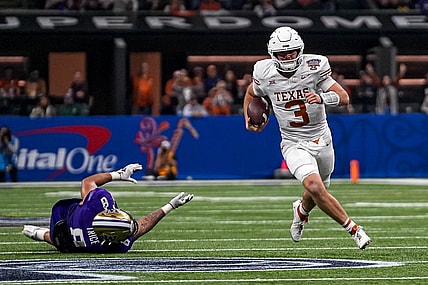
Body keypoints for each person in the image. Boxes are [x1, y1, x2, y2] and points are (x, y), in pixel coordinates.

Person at [243, 26, 372, 249]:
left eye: (292, 52)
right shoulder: (264, 72)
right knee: (314, 185)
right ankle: (354, 229)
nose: (287, 57)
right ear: (273, 55)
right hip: (293, 141)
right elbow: (251, 93)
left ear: (300, 50)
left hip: (321, 138)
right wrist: (248, 118)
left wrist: (322, 98)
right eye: (282, 54)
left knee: (319, 189)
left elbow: (344, 98)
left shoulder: (315, 66)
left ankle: (301, 211)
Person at [22, 163, 193, 253]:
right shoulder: (115, 246)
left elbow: (88, 182)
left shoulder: (95, 204)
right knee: (64, 243)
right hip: (70, 238)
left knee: (61, 239)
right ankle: (40, 234)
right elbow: (142, 226)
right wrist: (169, 206)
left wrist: (117, 175)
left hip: (64, 216)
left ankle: (40, 233)